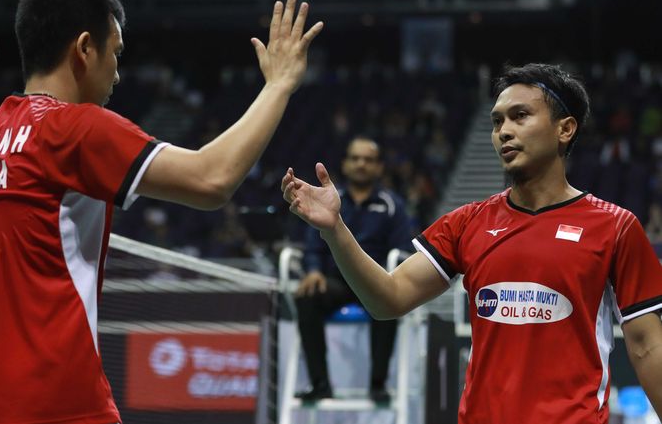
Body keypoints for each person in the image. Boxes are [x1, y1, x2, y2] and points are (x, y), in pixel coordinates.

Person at [0, 0, 322, 424]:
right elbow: (212, 180)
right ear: (84, 48)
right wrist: (279, 85)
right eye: (115, 54)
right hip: (56, 403)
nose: (116, 73)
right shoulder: (74, 128)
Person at [282, 63, 662, 424]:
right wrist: (334, 229)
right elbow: (388, 299)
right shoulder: (467, 223)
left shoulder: (615, 227)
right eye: (497, 122)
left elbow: (647, 346)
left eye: (520, 116)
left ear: (565, 129)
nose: (504, 132)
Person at [294, 136, 412, 403]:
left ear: (379, 167)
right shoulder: (330, 201)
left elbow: (403, 248)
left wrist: (390, 279)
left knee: (391, 299)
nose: (361, 164)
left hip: (375, 281)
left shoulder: (392, 206)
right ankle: (320, 384)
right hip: (335, 281)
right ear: (345, 164)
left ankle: (378, 385)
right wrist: (313, 270)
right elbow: (313, 246)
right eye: (355, 158)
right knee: (306, 298)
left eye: (368, 160)